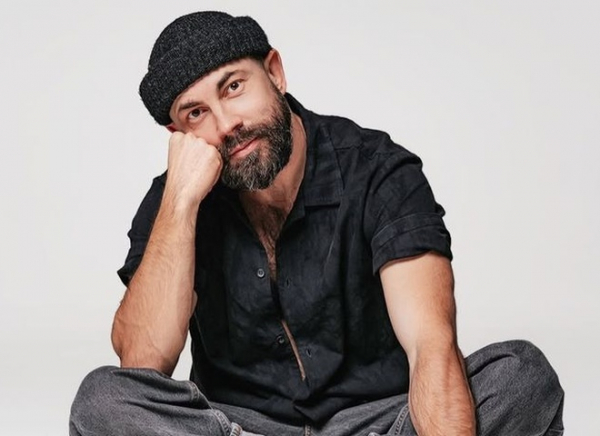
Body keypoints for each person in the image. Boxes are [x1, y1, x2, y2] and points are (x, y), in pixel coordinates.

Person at [70, 11, 564, 436]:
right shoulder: (173, 202)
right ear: (177, 133)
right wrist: (180, 203)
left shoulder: (376, 171)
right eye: (196, 113)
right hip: (239, 426)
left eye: (234, 87)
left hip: (384, 421)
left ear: (275, 72)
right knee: (102, 399)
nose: (225, 125)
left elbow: (430, 344)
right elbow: (142, 364)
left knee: (521, 377)